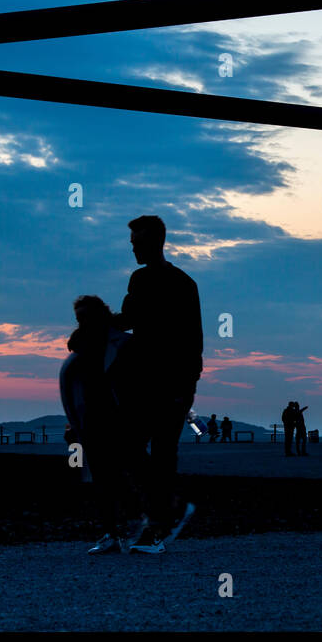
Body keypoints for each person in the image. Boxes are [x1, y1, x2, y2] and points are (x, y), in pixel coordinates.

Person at [113, 214, 203, 555]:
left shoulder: (143, 279)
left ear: (152, 242)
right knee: (160, 452)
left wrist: (96, 324)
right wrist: (190, 381)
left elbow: (128, 320)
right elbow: (195, 338)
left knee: (138, 449)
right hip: (170, 380)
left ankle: (162, 518)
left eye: (136, 242)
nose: (133, 247)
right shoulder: (185, 282)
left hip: (156, 380)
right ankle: (163, 516)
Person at [58, 295, 137, 554]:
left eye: (86, 316)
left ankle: (138, 528)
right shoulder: (78, 345)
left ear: (101, 314)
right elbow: (73, 391)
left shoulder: (123, 343)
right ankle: (112, 533)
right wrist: (73, 425)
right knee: (102, 479)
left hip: (121, 417)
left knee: (126, 475)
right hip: (90, 419)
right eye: (79, 317)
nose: (81, 321)